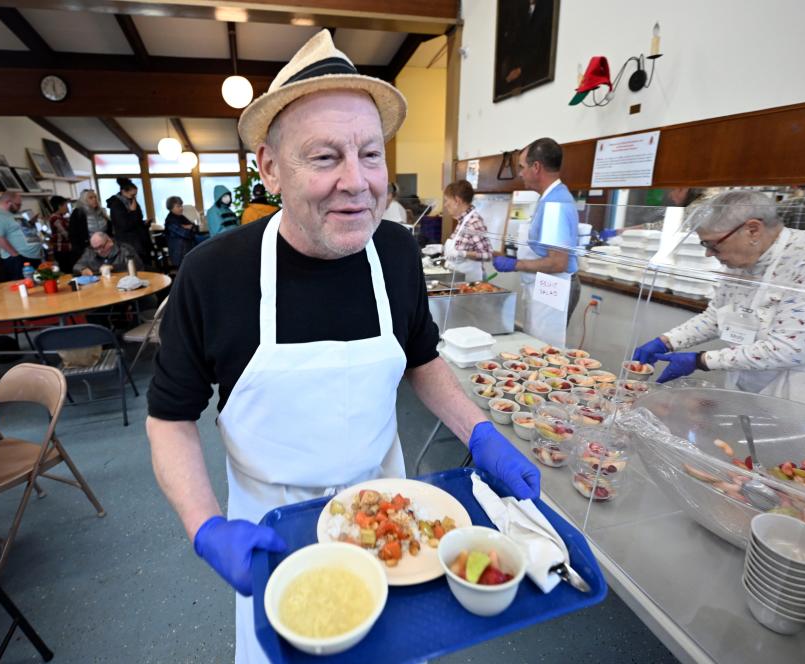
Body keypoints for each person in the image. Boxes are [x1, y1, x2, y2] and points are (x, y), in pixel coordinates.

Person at [146, 30, 539, 664]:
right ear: (270, 167)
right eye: (325, 157)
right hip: (273, 533)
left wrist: (480, 432)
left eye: (370, 154)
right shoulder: (215, 273)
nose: (357, 183)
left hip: (391, 519)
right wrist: (205, 526)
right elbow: (169, 418)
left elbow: (422, 359)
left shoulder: (397, 251)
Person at [633, 190, 805, 424]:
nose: (709, 254)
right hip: (759, 383)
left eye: (712, 245)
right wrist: (668, 341)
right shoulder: (742, 259)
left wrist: (701, 360)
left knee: (801, 468)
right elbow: (718, 316)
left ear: (752, 229)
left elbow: (791, 348)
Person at [492, 138, 581, 343]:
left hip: (552, 284)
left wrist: (516, 264)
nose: (521, 173)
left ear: (536, 167)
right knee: (536, 341)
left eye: (522, 167)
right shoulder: (549, 198)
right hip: (542, 282)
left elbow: (558, 262)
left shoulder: (555, 204)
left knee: (544, 346)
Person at [442, 180, 493, 282]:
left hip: (471, 282)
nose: (445, 205)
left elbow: (487, 254)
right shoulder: (462, 221)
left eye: (447, 200)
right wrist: (441, 249)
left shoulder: (473, 222)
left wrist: (464, 254)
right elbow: (457, 248)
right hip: (458, 280)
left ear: (457, 201)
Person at [0, 192, 43, 280]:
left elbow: (19, 230)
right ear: (8, 202)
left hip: (32, 257)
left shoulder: (14, 213)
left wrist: (30, 223)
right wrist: (15, 255)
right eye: (17, 204)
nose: (20, 207)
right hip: (19, 258)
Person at [107, 178, 150, 267]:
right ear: (123, 192)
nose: (134, 198)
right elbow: (124, 225)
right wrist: (133, 212)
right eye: (132, 195)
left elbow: (138, 218)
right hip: (128, 243)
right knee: (135, 266)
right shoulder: (116, 205)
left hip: (138, 240)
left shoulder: (130, 200)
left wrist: (144, 223)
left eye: (135, 195)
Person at [73, 231, 142, 276]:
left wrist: (113, 267)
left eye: (101, 247)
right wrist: (82, 269)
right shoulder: (89, 252)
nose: (99, 251)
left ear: (109, 241)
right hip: (99, 291)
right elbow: (77, 266)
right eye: (95, 249)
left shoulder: (124, 249)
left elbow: (138, 265)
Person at [69, 189, 111, 261]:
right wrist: (81, 252)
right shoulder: (78, 213)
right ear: (84, 200)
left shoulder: (101, 212)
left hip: (105, 248)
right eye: (91, 198)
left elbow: (109, 230)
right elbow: (73, 235)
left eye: (95, 197)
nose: (94, 199)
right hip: (87, 249)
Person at [164, 196, 196, 268]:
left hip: (186, 248)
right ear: (171, 208)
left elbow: (194, 227)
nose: (181, 208)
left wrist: (187, 227)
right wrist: (188, 227)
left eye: (181, 205)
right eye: (178, 206)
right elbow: (185, 234)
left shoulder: (181, 217)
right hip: (179, 252)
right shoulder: (170, 220)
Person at [46, 195, 75, 273]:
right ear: (59, 206)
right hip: (62, 250)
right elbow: (66, 234)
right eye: (65, 205)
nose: (67, 207)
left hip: (66, 249)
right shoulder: (55, 218)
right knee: (68, 272)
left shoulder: (61, 217)